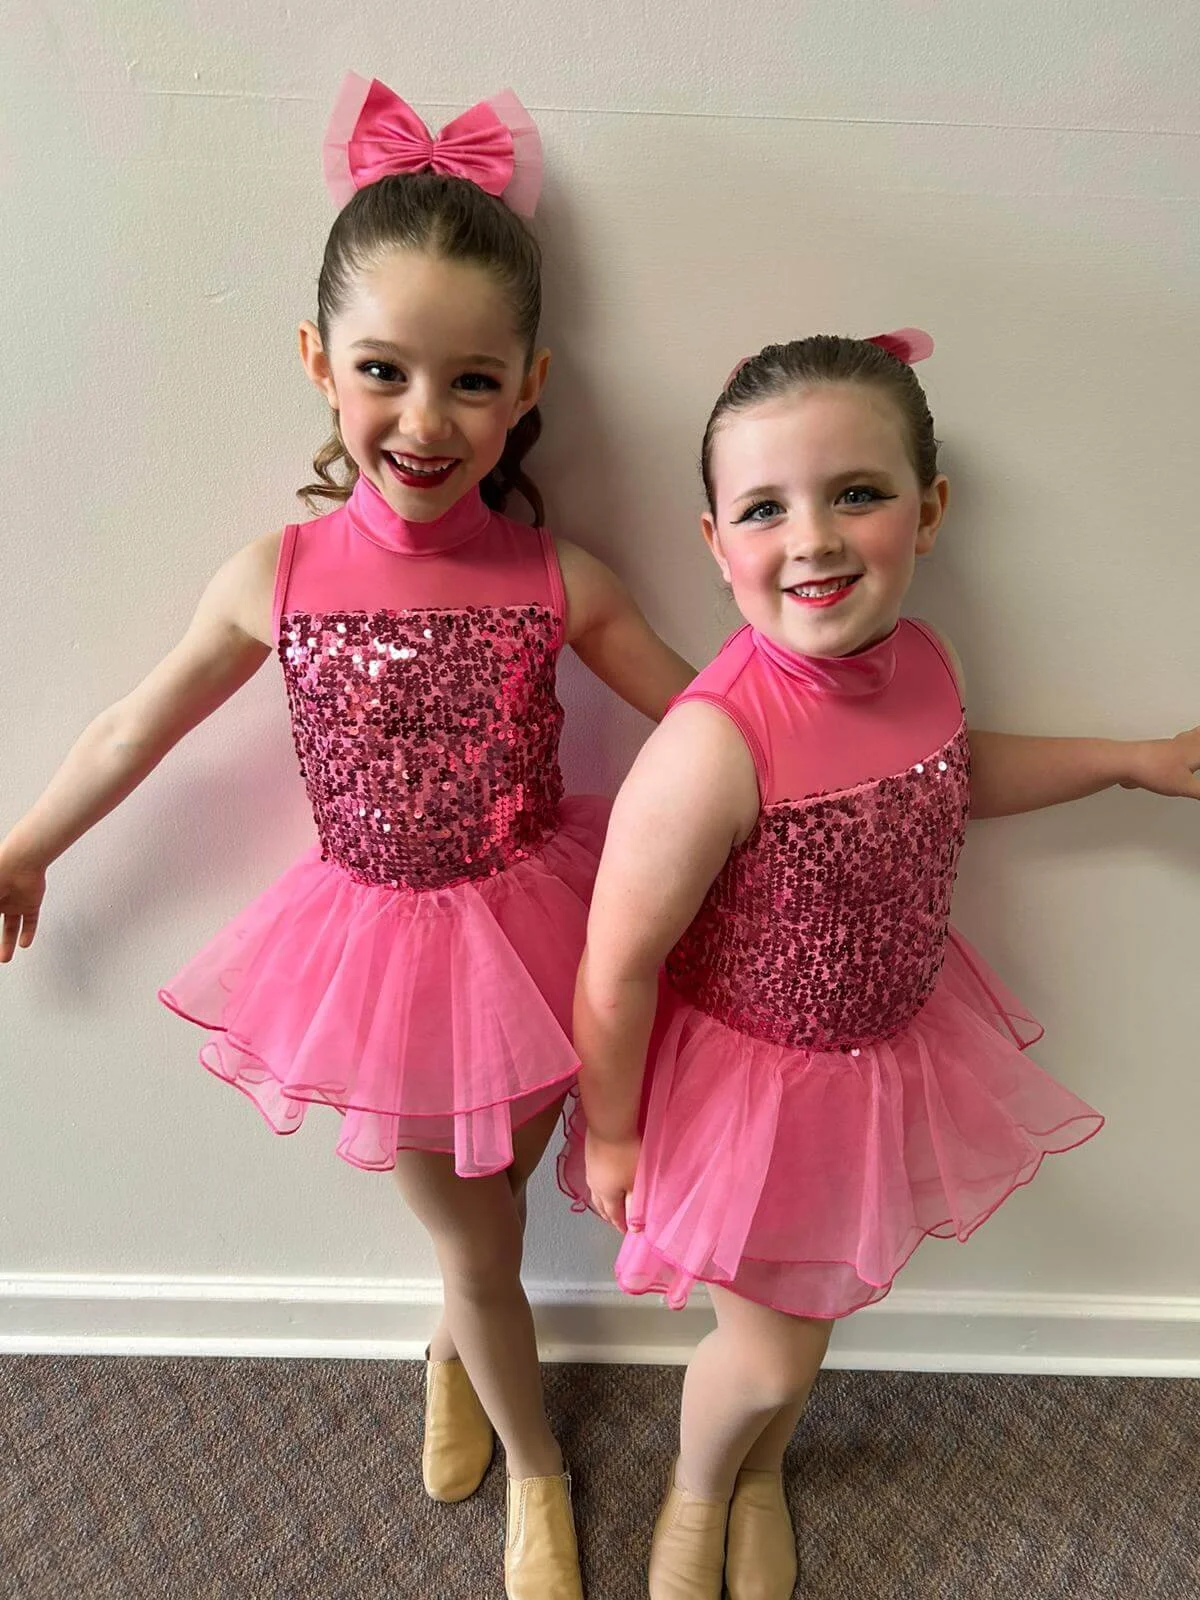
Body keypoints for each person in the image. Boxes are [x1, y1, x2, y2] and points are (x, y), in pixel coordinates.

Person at [0, 73, 692, 1600]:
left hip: (543, 926)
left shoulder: (559, 579)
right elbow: (136, 726)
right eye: (385, 371)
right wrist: (26, 844)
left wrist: (833, 754)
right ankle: (540, 1468)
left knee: (497, 1205)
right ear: (320, 363)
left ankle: (457, 1351)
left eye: (471, 381)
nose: (424, 421)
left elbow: (703, 722)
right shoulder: (282, 573)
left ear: (529, 387)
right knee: (477, 1243)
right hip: (378, 956)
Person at [559, 329, 1200, 1600]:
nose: (814, 539)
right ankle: (701, 1483)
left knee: (816, 1307)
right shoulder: (710, 745)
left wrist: (1126, 762)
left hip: (887, 1048)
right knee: (770, 1353)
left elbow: (953, 773)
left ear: (929, 509)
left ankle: (758, 1470)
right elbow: (615, 966)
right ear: (716, 543)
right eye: (766, 508)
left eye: (856, 492)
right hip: (752, 1089)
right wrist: (616, 1134)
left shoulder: (925, 663)